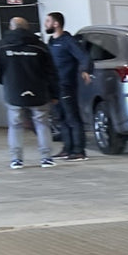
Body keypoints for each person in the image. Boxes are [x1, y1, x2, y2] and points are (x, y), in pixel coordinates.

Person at [0, 17, 60, 169]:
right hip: (39, 91)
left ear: (11, 27)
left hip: (14, 92)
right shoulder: (40, 46)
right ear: (27, 28)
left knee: (15, 125)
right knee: (42, 124)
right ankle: (46, 158)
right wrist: (54, 94)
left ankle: (16, 160)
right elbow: (51, 72)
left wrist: (6, 81)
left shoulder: (1, 46)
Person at [44, 11, 93, 160]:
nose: (45, 24)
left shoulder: (68, 41)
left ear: (56, 24)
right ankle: (67, 148)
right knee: (61, 118)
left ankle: (79, 151)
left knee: (72, 117)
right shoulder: (51, 42)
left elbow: (84, 57)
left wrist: (85, 70)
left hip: (66, 84)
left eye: (48, 21)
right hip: (54, 86)